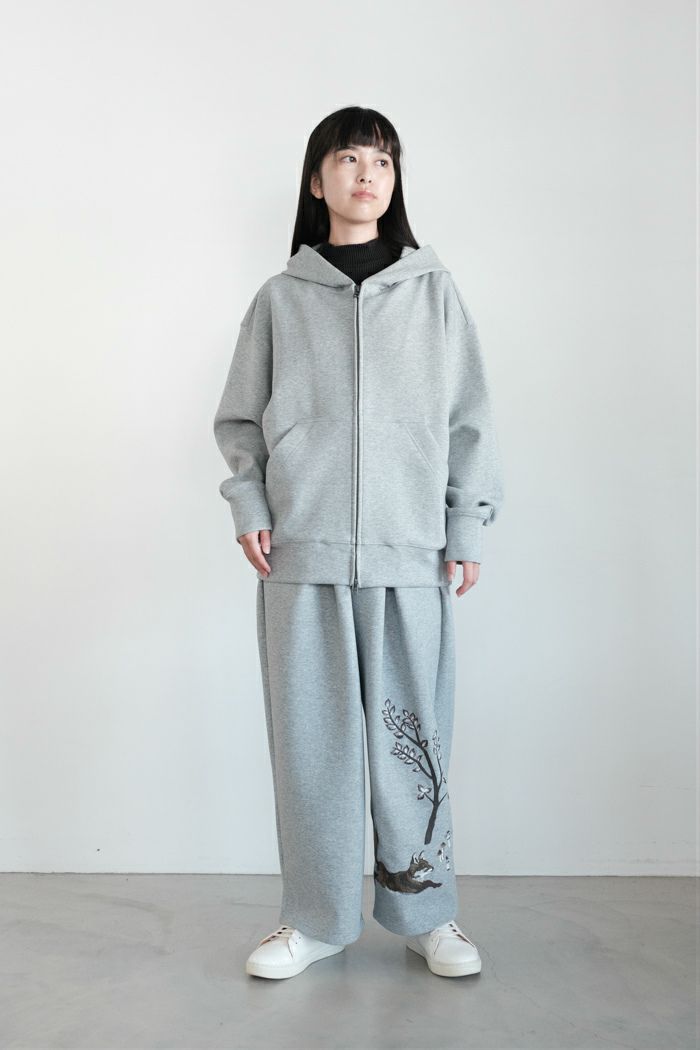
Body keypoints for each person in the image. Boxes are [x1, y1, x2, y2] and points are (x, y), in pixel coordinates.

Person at [213, 106, 504, 980]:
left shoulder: (435, 294)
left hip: (410, 555)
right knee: (313, 753)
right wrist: (249, 502)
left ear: (395, 179)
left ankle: (428, 913)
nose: (366, 174)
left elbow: (470, 421)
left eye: (381, 160)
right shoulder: (280, 299)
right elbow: (240, 420)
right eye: (348, 158)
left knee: (411, 743)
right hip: (301, 558)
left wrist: (464, 523)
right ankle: (315, 919)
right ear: (318, 180)